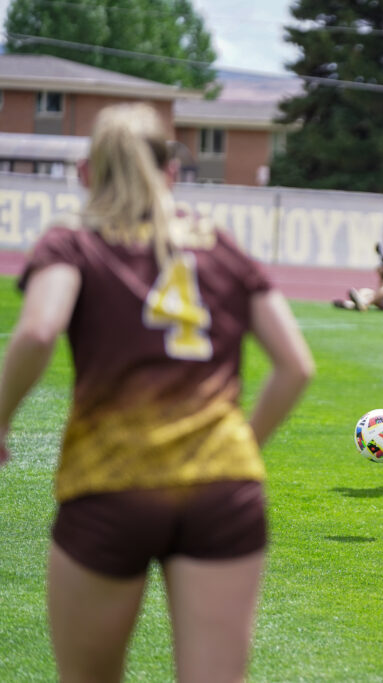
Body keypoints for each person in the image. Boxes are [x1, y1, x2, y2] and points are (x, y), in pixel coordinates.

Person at [0, 103, 315, 682]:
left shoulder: (74, 240)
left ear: (86, 172)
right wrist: (240, 446)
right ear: (171, 171)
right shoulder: (218, 243)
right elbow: (296, 365)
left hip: (110, 479)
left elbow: (39, 330)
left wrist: (0, 420)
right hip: (221, 487)